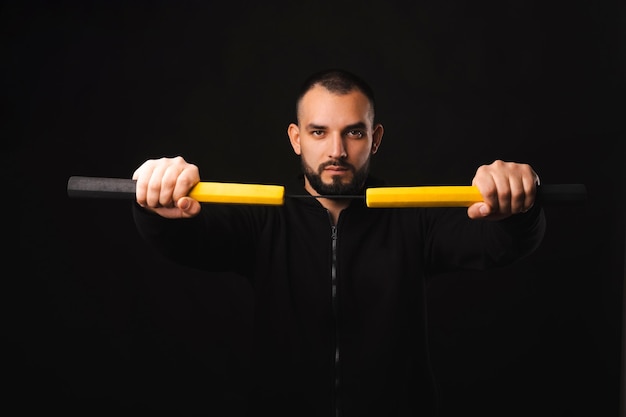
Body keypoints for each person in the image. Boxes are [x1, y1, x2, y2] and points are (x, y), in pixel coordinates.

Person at [131, 68, 546, 417]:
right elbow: (184, 239)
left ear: (375, 138)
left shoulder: (411, 217)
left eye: (353, 133)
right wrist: (157, 198)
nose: (336, 151)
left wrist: (517, 206)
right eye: (318, 132)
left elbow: (499, 243)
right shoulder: (263, 220)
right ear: (296, 138)